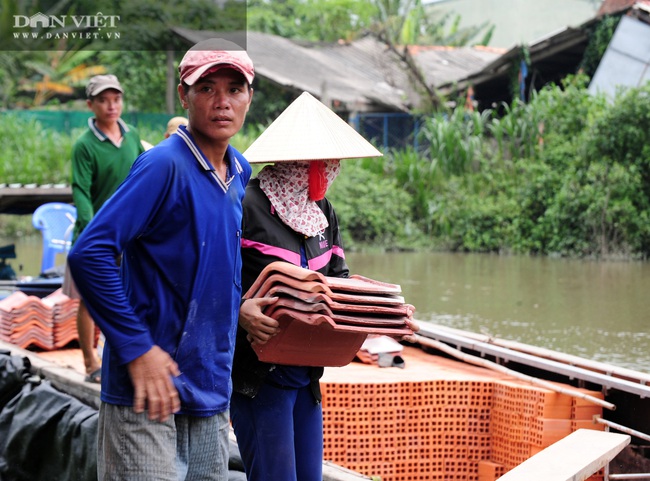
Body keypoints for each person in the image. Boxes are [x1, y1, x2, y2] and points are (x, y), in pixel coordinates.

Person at [67, 38, 255, 480]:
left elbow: (218, 264)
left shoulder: (239, 172)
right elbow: (90, 253)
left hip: (209, 388)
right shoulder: (163, 165)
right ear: (183, 96)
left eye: (234, 89)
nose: (222, 102)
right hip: (146, 390)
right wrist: (136, 349)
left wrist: (243, 307)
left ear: (250, 97)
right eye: (207, 88)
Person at [232, 92, 418, 481]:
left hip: (307, 374)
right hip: (260, 377)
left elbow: (339, 279)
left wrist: (388, 314)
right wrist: (239, 312)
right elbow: (213, 281)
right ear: (300, 163)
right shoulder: (245, 205)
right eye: (326, 163)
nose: (332, 170)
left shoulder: (322, 211)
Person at [63, 74, 144, 384]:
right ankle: (88, 361)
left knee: (128, 294)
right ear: (90, 105)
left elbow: (142, 176)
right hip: (96, 234)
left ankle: (122, 356)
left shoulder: (132, 134)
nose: (111, 106)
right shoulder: (85, 145)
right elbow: (80, 191)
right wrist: (93, 231)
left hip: (130, 233)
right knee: (90, 298)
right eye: (103, 100)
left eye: (116, 99)